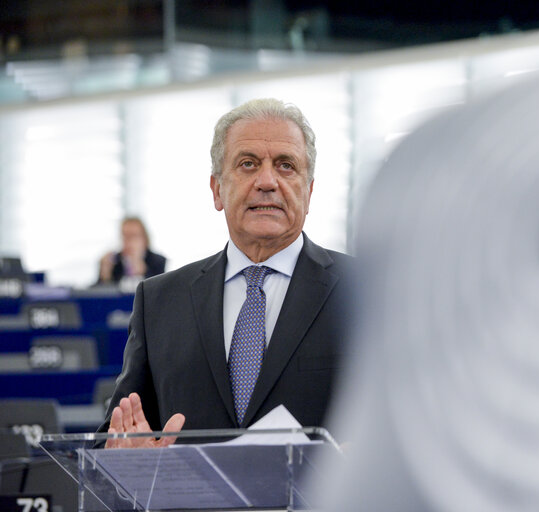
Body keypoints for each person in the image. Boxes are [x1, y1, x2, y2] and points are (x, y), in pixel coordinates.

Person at [99, 98, 354, 448]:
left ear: (308, 192)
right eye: (248, 164)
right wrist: (129, 461)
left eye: (286, 166)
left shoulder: (365, 290)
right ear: (217, 189)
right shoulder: (159, 301)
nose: (267, 181)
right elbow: (115, 434)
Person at [97, 217, 166, 284]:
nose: (129, 241)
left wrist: (143, 271)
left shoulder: (157, 261)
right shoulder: (114, 261)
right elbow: (95, 291)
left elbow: (161, 290)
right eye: (125, 236)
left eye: (133, 236)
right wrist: (105, 275)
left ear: (144, 238)